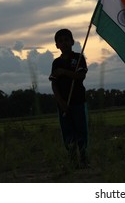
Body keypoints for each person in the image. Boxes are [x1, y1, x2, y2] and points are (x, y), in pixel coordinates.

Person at [49, 28, 89, 168]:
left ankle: (83, 158)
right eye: (60, 41)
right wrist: (61, 102)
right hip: (63, 105)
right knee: (68, 132)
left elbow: (80, 76)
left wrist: (64, 72)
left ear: (72, 41)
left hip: (78, 101)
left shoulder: (78, 58)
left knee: (81, 130)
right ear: (56, 45)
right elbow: (54, 85)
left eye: (66, 40)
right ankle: (72, 160)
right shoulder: (56, 63)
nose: (64, 43)